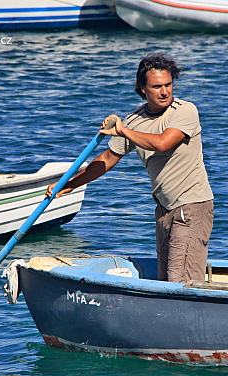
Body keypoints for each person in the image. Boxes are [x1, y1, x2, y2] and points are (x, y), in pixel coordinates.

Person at [46, 53, 213, 283]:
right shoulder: (134, 121)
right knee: (166, 280)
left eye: (168, 85)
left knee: (181, 282)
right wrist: (68, 185)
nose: (164, 91)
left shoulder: (185, 111)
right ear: (143, 89)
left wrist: (123, 131)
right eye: (157, 86)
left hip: (191, 206)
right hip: (164, 209)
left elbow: (163, 143)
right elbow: (107, 159)